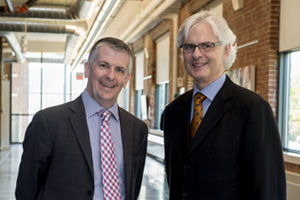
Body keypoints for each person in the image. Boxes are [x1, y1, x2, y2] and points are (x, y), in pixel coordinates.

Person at [163, 11, 286, 200]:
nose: (196, 54)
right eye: (189, 47)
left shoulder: (252, 109)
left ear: (226, 50)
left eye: (207, 45)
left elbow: (268, 189)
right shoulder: (173, 112)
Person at [15, 37, 148, 200]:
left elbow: (132, 189)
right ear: (87, 69)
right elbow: (26, 191)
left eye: (119, 70)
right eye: (103, 65)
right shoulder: (48, 123)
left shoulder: (137, 129)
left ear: (126, 79)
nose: (110, 76)